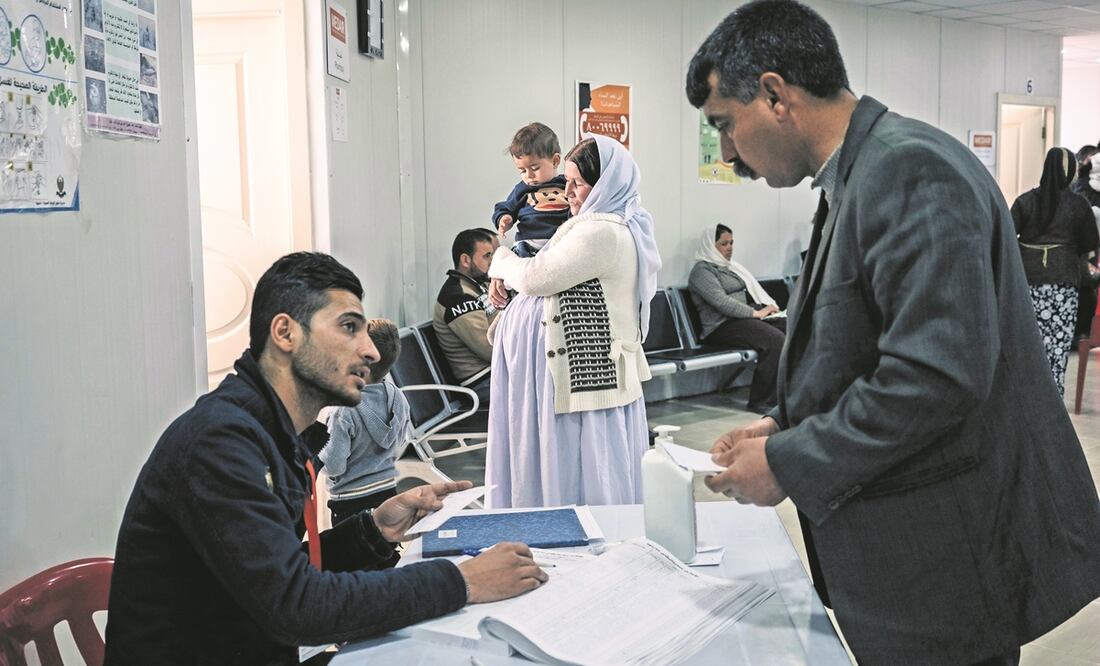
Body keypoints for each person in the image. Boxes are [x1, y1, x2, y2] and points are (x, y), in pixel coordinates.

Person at [686, 1, 1100, 664]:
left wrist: (792, 461)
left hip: (944, 562)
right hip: (913, 556)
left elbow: (937, 374)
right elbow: (863, 342)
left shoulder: (909, 170)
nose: (729, 154)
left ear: (774, 94)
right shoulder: (858, 174)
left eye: (724, 126)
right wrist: (786, 423)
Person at [105, 252, 547, 664]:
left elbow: (275, 572)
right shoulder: (219, 444)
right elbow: (297, 607)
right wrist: (463, 582)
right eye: (349, 328)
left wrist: (374, 530)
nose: (371, 352)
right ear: (286, 334)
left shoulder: (270, 432)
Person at [485, 135, 661, 508]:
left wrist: (499, 262)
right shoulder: (593, 226)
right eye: (566, 181)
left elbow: (537, 277)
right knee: (560, 469)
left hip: (583, 386)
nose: (567, 193)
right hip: (564, 383)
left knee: (575, 475)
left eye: (577, 183)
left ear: (606, 184)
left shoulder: (603, 231)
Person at [1010, 147, 1099, 394]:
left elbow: (1007, 235)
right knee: (1057, 345)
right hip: (1063, 284)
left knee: (1028, 342)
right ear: (1069, 170)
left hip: (1027, 283)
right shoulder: (1078, 205)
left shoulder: (1025, 201)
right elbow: (1090, 242)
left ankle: (1023, 395)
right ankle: (1052, 396)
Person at [688, 223, 786, 413]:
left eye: (732, 243)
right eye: (724, 244)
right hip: (721, 326)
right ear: (710, 245)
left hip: (741, 320)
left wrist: (765, 309)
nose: (730, 248)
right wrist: (756, 313)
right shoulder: (702, 271)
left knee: (793, 328)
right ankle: (763, 401)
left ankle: (789, 392)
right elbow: (722, 302)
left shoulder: (730, 268)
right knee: (774, 340)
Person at [319, 318, 408, 523]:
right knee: (385, 551)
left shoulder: (342, 409)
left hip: (349, 501)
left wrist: (311, 448)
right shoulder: (397, 396)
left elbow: (334, 467)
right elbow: (400, 440)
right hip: (387, 492)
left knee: (353, 553)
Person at [433, 228, 499, 404]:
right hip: (481, 382)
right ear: (465, 260)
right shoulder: (458, 297)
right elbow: (490, 350)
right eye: (486, 256)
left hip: (492, 374)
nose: (492, 261)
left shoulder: (475, 286)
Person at [492, 122, 570, 258]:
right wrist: (505, 219)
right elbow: (505, 207)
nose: (529, 175)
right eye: (522, 170)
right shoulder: (522, 189)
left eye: (535, 168)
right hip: (528, 245)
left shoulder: (567, 184)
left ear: (555, 161)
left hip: (560, 244)